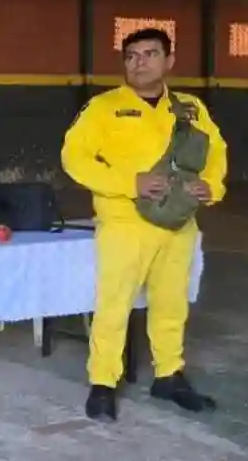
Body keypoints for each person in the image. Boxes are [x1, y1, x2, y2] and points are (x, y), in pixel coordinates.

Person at [61, 27, 227, 422]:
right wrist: (128, 183)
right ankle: (103, 383)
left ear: (169, 61)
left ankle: (169, 375)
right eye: (131, 56)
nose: (139, 63)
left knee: (171, 305)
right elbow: (75, 159)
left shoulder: (190, 108)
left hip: (178, 223)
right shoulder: (103, 108)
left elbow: (216, 151)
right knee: (113, 306)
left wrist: (213, 187)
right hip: (124, 223)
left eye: (150, 54)